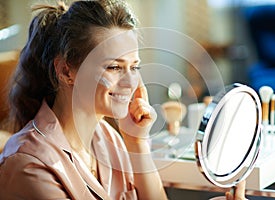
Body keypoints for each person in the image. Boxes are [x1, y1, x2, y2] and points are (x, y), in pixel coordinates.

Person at [0, 0, 246, 199]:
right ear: (66, 71)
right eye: (114, 67)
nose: (131, 83)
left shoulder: (109, 140)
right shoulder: (29, 165)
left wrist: (137, 143)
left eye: (134, 67)